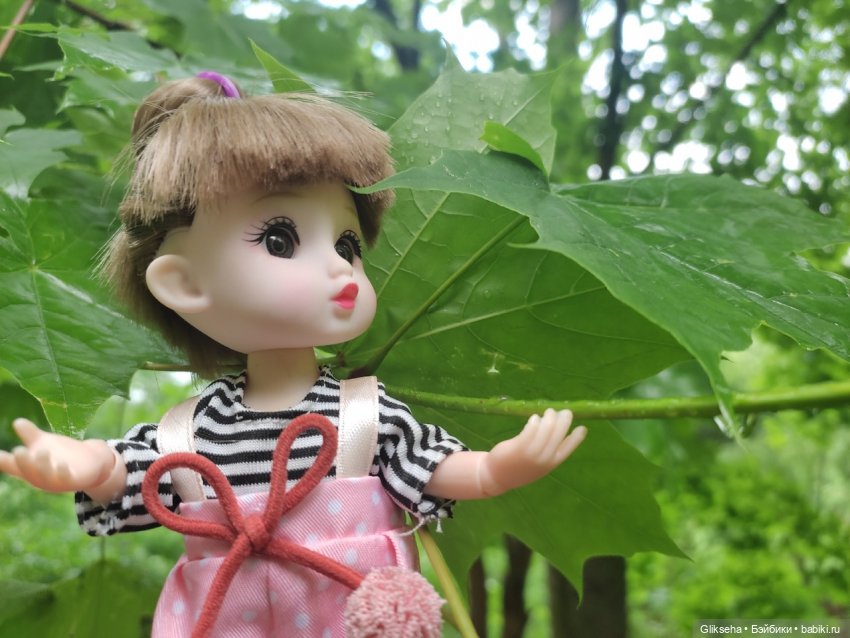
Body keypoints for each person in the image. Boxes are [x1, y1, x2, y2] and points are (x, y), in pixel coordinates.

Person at [0, 72, 587, 637]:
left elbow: (425, 467)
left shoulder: (362, 414)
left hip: (352, 615)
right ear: (184, 284)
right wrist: (92, 468)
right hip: (226, 619)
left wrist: (495, 469)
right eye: (280, 240)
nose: (338, 267)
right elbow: (135, 477)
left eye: (347, 244)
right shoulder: (191, 431)